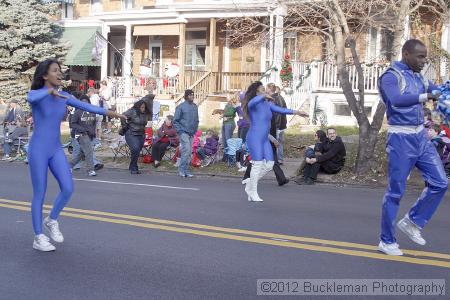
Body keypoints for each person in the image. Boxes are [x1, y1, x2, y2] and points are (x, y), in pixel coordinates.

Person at [27, 59, 125, 252]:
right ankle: (38, 237)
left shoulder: (64, 95)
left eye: (60, 70)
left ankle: (52, 219)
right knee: (40, 193)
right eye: (55, 71)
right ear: (45, 75)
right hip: (38, 149)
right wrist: (49, 91)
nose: (60, 73)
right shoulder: (38, 94)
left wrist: (112, 113)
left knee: (68, 188)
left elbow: (88, 107)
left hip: (55, 149)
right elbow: (31, 98)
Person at [377, 39, 447, 256]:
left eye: (425, 57)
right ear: (406, 54)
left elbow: (437, 90)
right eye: (420, 57)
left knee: (440, 182)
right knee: (395, 192)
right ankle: (386, 241)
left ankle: (412, 221)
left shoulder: (417, 76)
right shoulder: (390, 76)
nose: (424, 61)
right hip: (400, 139)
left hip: (420, 136)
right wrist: (427, 96)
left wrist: (444, 91)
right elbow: (396, 100)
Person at [241, 81, 306, 202]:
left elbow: (282, 110)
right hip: (254, 137)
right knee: (257, 164)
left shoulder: (267, 104)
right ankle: (253, 192)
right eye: (262, 89)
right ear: (256, 91)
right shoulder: (253, 104)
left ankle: (249, 184)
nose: (264, 90)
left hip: (265, 138)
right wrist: (262, 96)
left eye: (264, 89)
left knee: (270, 164)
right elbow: (253, 102)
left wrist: (297, 112)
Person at [69, 95, 98, 176]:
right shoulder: (77, 112)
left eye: (86, 102)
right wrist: (82, 129)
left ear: (89, 102)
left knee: (82, 153)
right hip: (80, 134)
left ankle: (69, 165)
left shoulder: (93, 112)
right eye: (82, 102)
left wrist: (93, 133)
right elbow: (73, 124)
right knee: (89, 151)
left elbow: (93, 124)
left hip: (90, 135)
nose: (85, 103)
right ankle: (90, 170)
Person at [122, 99, 152, 174]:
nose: (143, 109)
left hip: (141, 134)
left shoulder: (145, 113)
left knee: (137, 151)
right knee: (135, 149)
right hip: (131, 133)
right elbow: (122, 116)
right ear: (138, 107)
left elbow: (145, 123)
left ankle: (132, 166)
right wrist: (124, 126)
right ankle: (134, 168)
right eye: (141, 107)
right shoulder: (132, 111)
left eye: (144, 107)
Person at [173, 89, 199, 177]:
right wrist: (179, 130)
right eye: (190, 95)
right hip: (183, 132)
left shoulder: (195, 106)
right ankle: (181, 169)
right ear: (186, 96)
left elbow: (197, 119)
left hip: (192, 132)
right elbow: (175, 121)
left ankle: (186, 170)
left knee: (189, 151)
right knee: (187, 149)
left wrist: (195, 128)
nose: (192, 96)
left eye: (193, 95)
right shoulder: (180, 107)